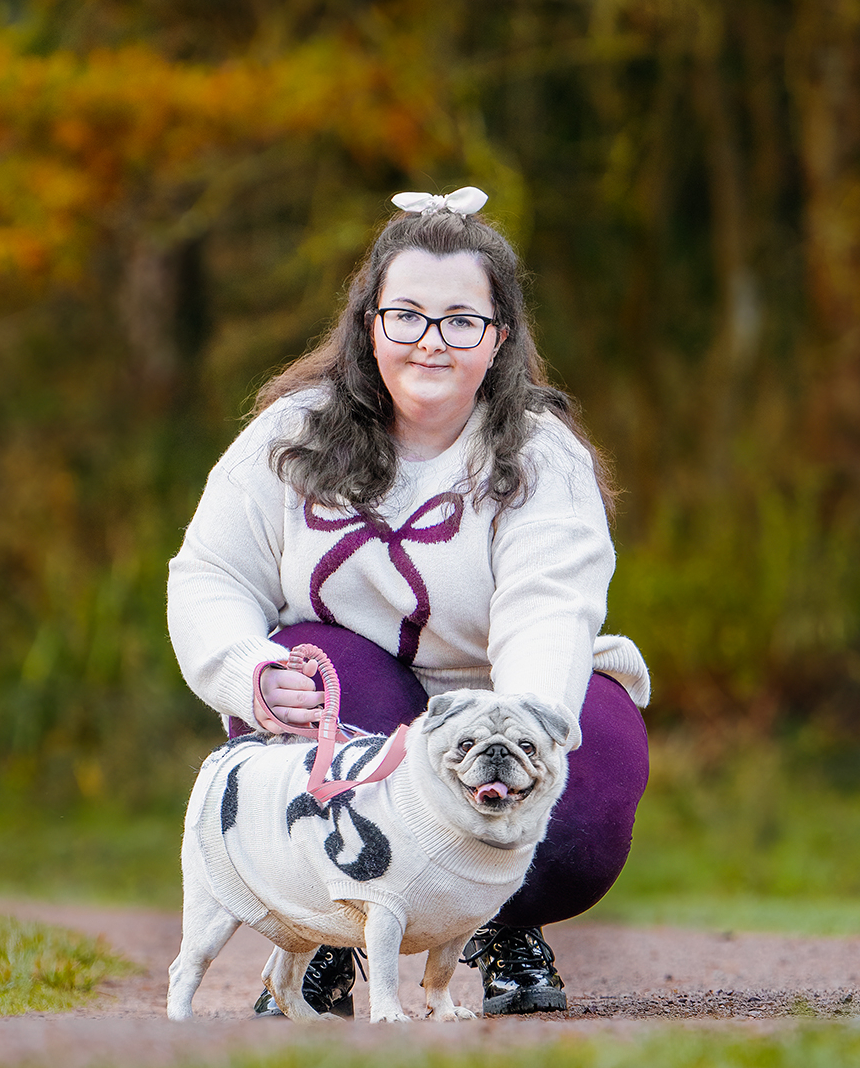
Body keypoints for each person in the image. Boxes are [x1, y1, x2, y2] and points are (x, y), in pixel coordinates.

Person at [167, 186, 650, 1018]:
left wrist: (522, 723)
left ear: (498, 340)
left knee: (588, 769)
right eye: (407, 316)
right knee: (323, 666)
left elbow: (549, 608)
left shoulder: (544, 460)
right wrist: (246, 672)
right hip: (361, 695)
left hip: (493, 698)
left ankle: (501, 921)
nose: (432, 341)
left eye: (462, 320)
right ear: (369, 326)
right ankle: (323, 928)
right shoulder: (292, 434)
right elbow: (210, 572)